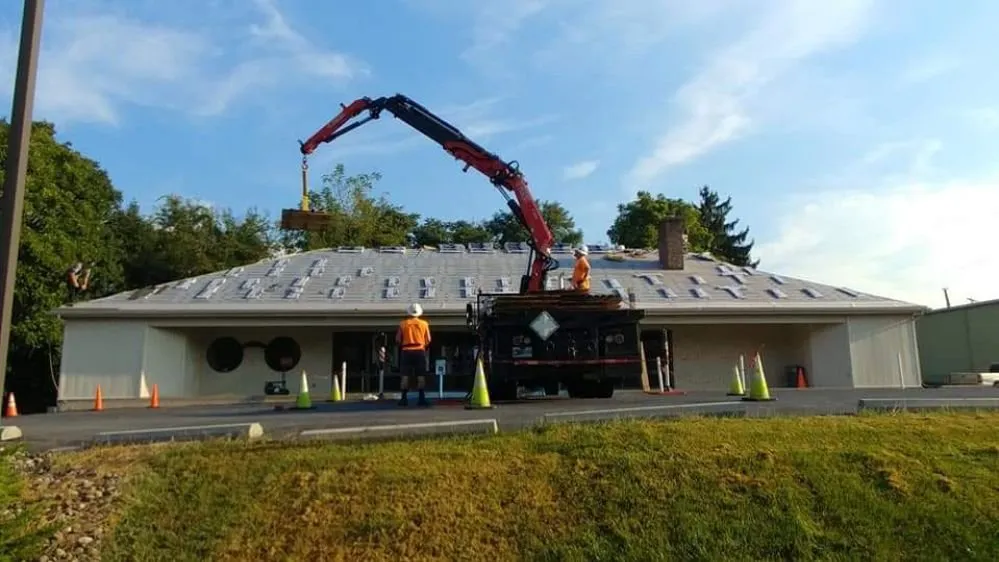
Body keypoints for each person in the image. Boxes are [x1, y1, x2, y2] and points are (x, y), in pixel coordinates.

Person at [396, 302, 431, 406]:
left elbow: (397, 339)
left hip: (406, 350)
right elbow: (428, 339)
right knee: (421, 375)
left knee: (405, 375)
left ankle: (403, 399)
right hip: (419, 350)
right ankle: (421, 399)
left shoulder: (403, 324)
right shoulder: (424, 324)